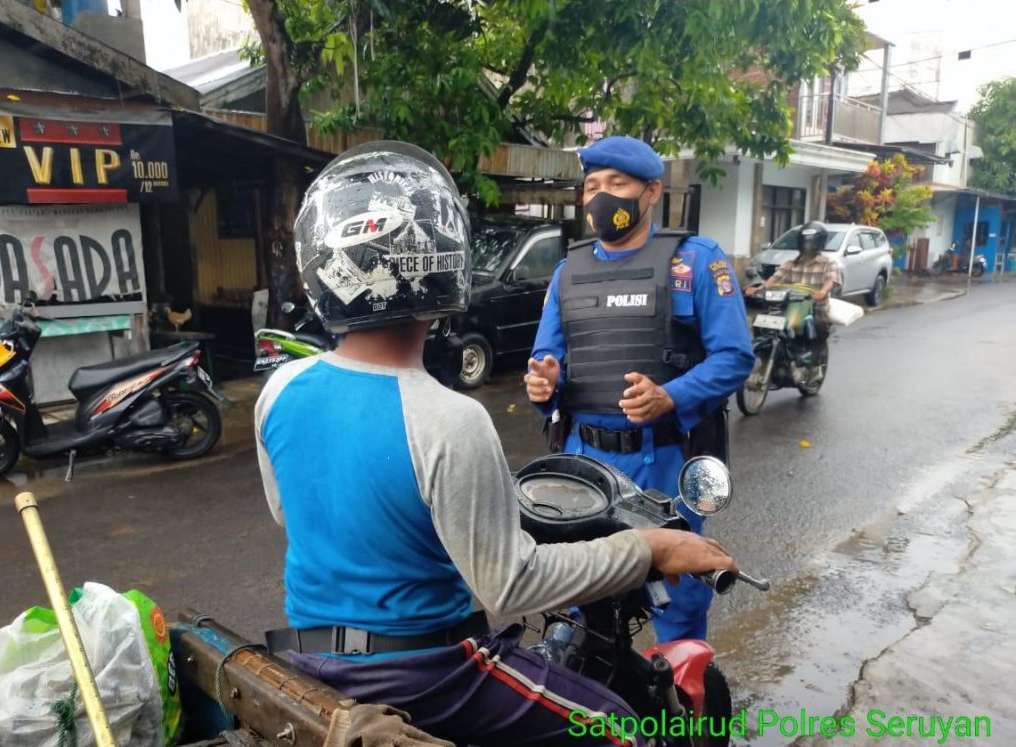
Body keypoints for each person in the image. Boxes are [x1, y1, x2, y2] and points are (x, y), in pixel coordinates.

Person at [255, 140, 738, 745]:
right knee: (619, 727)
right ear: (443, 265)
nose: (600, 196)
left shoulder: (279, 388)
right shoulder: (450, 418)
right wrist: (650, 549)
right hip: (428, 673)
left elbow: (290, 512)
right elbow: (509, 586)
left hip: (307, 651)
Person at [525, 135, 754, 643]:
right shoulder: (568, 273)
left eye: (617, 183)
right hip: (584, 462)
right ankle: (585, 711)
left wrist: (672, 395)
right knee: (579, 602)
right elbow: (547, 362)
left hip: (666, 464)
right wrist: (545, 383)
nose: (601, 196)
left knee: (679, 605)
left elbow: (736, 356)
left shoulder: (694, 263)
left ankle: (684, 717)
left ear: (651, 192)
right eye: (591, 186)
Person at [745, 221, 839, 356]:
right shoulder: (790, 263)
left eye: (812, 242)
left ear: (820, 243)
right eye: (805, 242)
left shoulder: (828, 263)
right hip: (788, 305)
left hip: (814, 307)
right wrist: (758, 289)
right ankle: (768, 356)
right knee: (762, 322)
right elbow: (775, 278)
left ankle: (812, 357)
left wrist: (822, 292)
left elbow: (831, 280)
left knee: (816, 326)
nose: (808, 246)